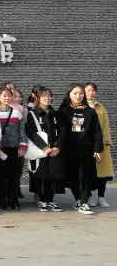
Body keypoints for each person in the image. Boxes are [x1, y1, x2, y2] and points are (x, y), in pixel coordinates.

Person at [59, 84, 103, 215]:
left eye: (81, 93)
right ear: (69, 95)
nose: (78, 96)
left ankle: (84, 202)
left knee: (86, 176)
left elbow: (97, 131)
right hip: (69, 150)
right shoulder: (64, 111)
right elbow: (60, 132)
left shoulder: (90, 111)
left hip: (87, 150)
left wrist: (97, 149)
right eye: (75, 93)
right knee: (73, 176)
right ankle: (78, 199)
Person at [26, 87, 66, 212]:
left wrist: (58, 147)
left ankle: (50, 200)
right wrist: (44, 147)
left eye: (49, 96)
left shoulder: (56, 114)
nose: (47, 98)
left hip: (55, 150)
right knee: (41, 175)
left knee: (53, 175)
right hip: (41, 150)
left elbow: (63, 131)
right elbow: (31, 133)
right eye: (44, 96)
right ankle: (42, 200)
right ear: (38, 98)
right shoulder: (32, 114)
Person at [0, 85, 27, 210]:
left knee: (14, 176)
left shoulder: (17, 112)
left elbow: (22, 131)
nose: (7, 98)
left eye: (9, 96)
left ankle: (13, 199)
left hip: (14, 148)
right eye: (4, 96)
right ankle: (1, 199)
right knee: (0, 175)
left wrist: (23, 146)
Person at [85, 82, 113, 207]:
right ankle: (90, 196)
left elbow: (106, 126)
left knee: (103, 173)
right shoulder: (81, 106)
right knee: (90, 172)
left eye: (93, 90)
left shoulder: (100, 107)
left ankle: (101, 197)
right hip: (87, 145)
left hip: (102, 144)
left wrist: (107, 142)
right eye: (88, 90)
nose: (91, 93)